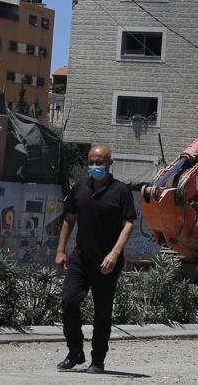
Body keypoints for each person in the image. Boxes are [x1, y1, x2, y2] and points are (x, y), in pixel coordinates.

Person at [55, 144, 136, 374]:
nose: (95, 166)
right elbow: (69, 219)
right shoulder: (79, 189)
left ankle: (98, 359)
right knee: (69, 302)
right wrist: (61, 250)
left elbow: (129, 223)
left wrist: (114, 253)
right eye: (91, 162)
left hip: (107, 263)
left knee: (102, 313)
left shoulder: (121, 192)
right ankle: (75, 351)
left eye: (99, 162)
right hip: (81, 258)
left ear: (110, 164)